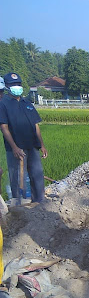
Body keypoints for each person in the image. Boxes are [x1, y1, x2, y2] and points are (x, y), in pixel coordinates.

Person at [0, 72, 48, 204]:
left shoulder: (27, 102)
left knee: (37, 175)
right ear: (7, 87)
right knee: (17, 179)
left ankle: (39, 202)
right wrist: (14, 147)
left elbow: (36, 125)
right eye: (13, 84)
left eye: (18, 84)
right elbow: (4, 127)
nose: (16, 87)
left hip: (32, 146)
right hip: (16, 149)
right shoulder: (3, 104)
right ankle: (19, 206)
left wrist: (41, 144)